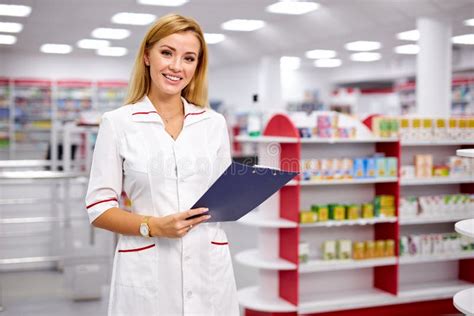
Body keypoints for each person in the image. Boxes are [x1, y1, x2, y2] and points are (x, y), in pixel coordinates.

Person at [85, 14, 239, 316]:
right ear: (147, 56)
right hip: (148, 269)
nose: (176, 66)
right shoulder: (118, 123)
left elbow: (225, 194)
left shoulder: (213, 123)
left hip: (209, 266)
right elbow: (99, 208)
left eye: (189, 58)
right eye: (167, 53)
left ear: (197, 67)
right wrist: (154, 226)